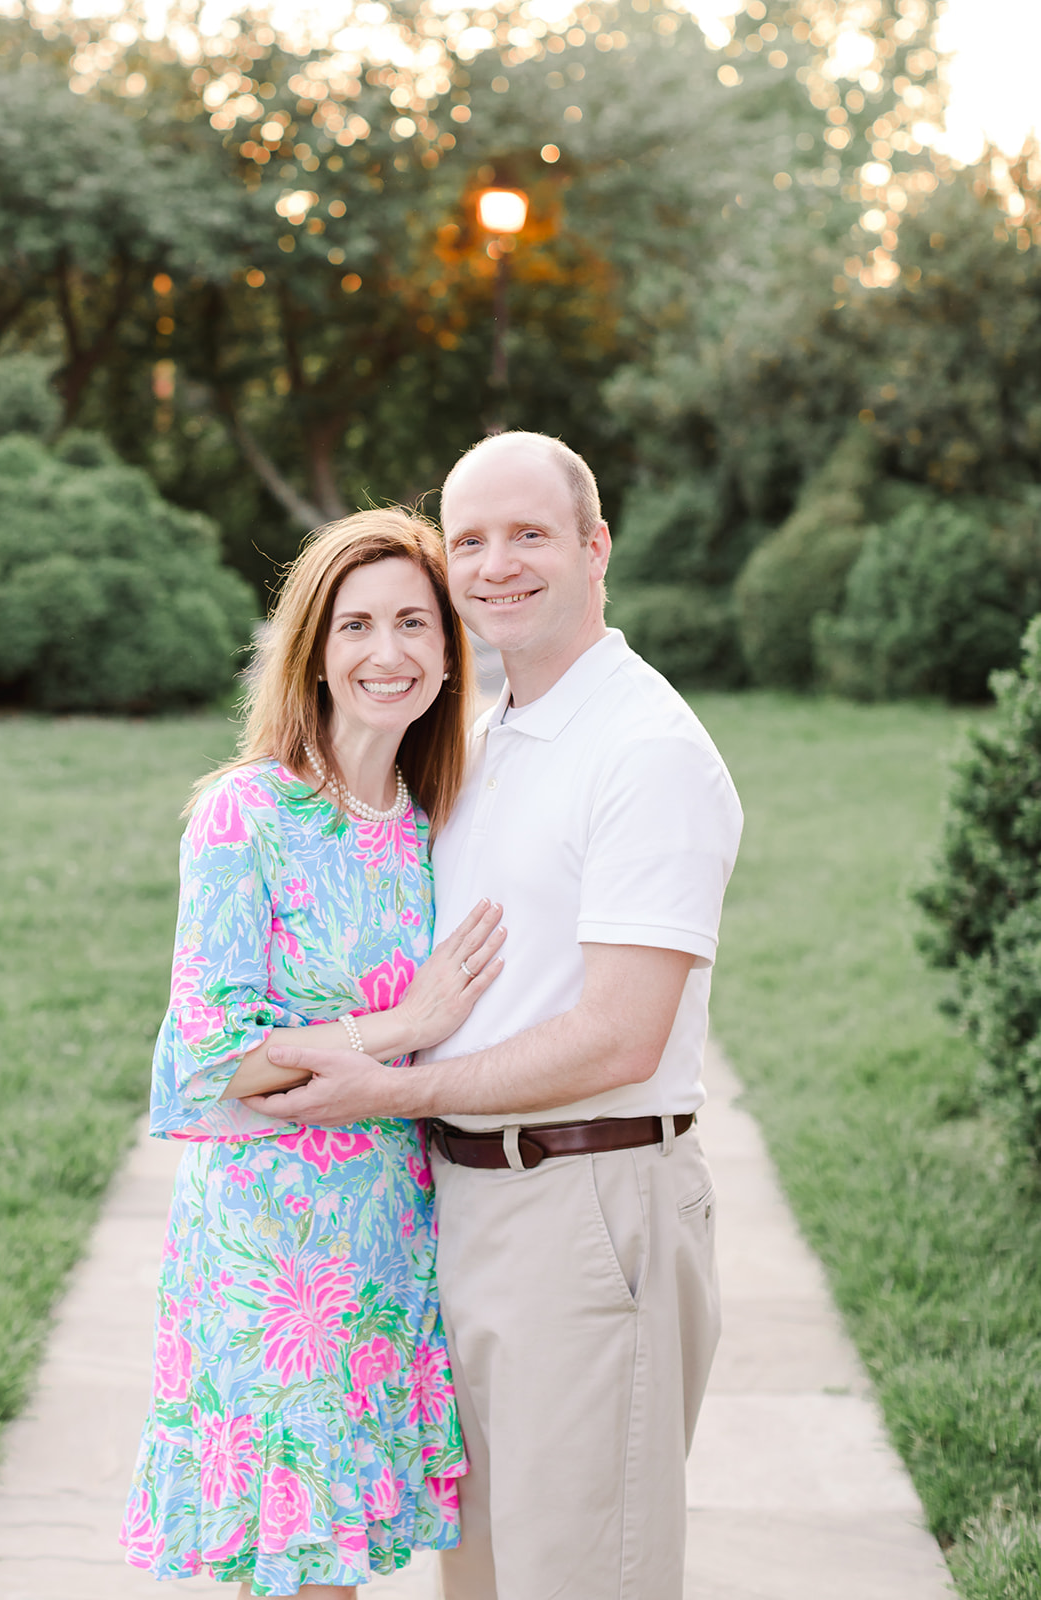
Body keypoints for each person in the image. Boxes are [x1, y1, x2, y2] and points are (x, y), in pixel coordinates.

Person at [248, 432, 744, 1600]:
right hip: (462, 1207)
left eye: (530, 534)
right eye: (468, 539)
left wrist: (393, 1087)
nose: (496, 565)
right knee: (479, 1579)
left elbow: (620, 1033)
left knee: (580, 1577)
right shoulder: (489, 732)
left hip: (586, 1206)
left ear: (594, 546)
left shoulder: (645, 748)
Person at [119, 507, 509, 1599]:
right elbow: (210, 1056)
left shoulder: (437, 819)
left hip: (391, 1232)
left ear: (446, 649)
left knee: (343, 1564)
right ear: (316, 651)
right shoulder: (250, 813)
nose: (387, 653)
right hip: (273, 1248)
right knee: (301, 1572)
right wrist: (399, 1026)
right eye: (355, 627)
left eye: (413, 624)